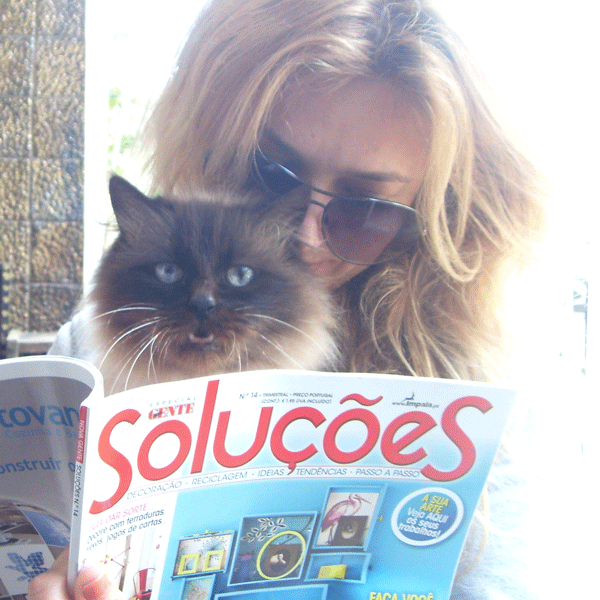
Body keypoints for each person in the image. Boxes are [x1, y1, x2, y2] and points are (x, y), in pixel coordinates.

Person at [31, 0, 551, 598]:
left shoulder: (491, 402)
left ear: (433, 219)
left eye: (364, 210)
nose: (303, 236)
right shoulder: (86, 358)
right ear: (211, 147)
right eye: (269, 176)